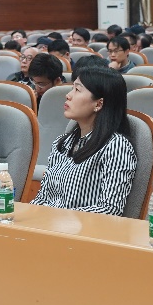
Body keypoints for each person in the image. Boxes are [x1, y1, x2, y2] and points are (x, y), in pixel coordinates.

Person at [33, 67, 136, 216]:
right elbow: (43, 197)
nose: (68, 95)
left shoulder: (116, 146)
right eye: (72, 88)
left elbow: (110, 209)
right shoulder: (62, 143)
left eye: (77, 90)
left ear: (98, 104)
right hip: (49, 224)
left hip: (83, 228)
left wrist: (60, 217)